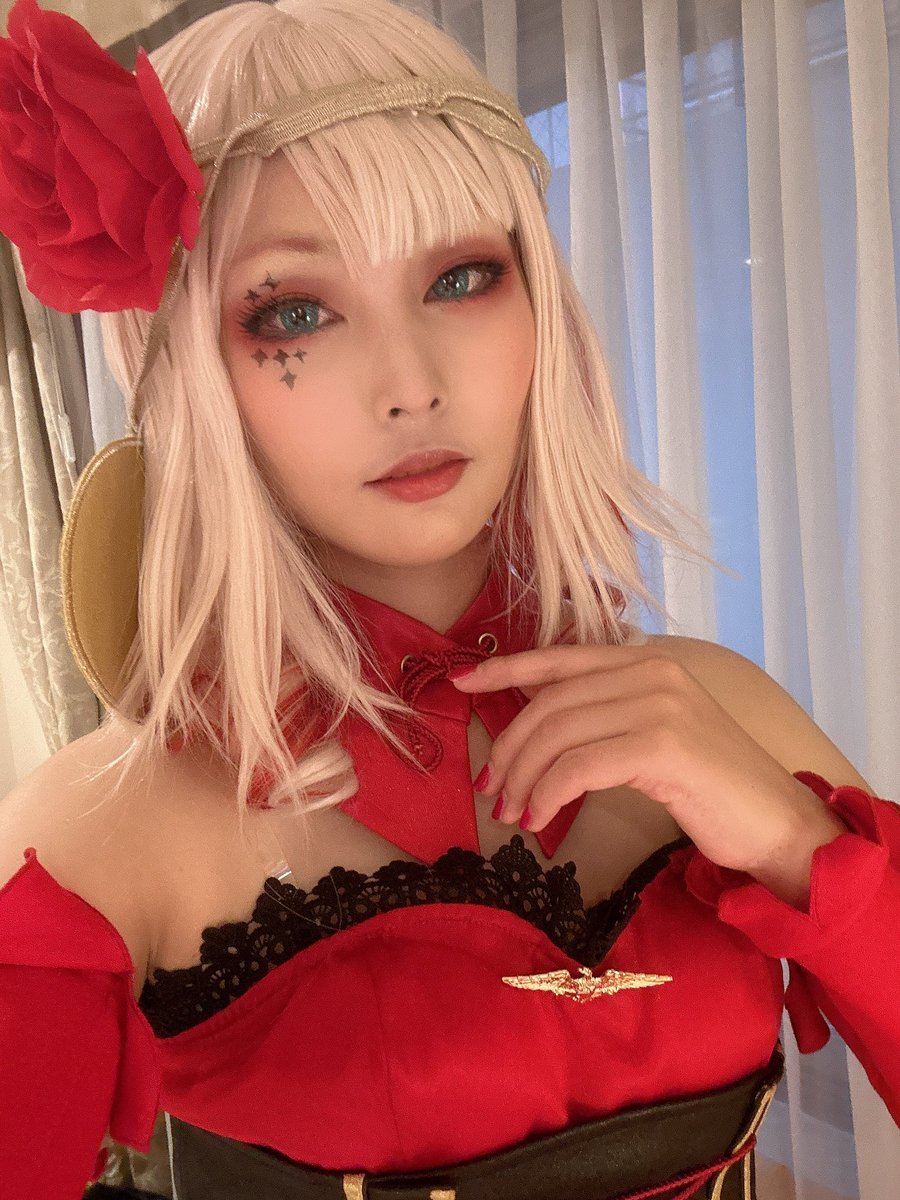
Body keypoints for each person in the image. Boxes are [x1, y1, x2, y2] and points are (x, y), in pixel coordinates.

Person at [0, 0, 897, 1197]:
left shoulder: (714, 706)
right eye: (294, 311)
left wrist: (791, 842)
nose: (412, 385)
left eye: (462, 277)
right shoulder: (105, 829)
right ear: (187, 373)